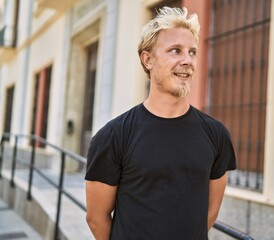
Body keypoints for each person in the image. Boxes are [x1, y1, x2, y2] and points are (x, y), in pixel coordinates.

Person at [85, 6, 236, 240]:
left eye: (192, 52)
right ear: (148, 60)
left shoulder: (216, 134)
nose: (187, 60)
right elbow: (96, 218)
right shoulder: (113, 136)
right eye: (176, 51)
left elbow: (210, 212)